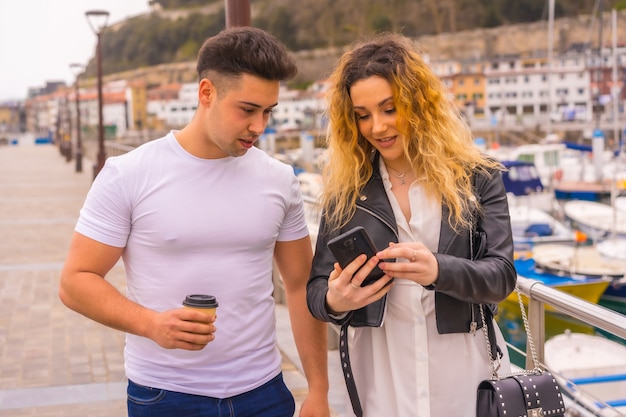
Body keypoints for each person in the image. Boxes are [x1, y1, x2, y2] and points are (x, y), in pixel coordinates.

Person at [59, 27, 330, 417]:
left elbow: (300, 282)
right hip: (165, 395)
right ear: (207, 93)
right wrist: (152, 324)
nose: (260, 126)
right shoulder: (129, 173)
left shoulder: (278, 179)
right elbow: (75, 281)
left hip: (264, 393)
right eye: (248, 109)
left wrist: (318, 389)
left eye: (268, 111)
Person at [306, 33, 517, 417]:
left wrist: (438, 269)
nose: (377, 127)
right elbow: (317, 291)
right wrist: (337, 300)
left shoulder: (478, 177)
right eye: (363, 114)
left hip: (465, 374)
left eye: (390, 109)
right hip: (382, 375)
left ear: (418, 104)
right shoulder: (345, 191)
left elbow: (502, 277)